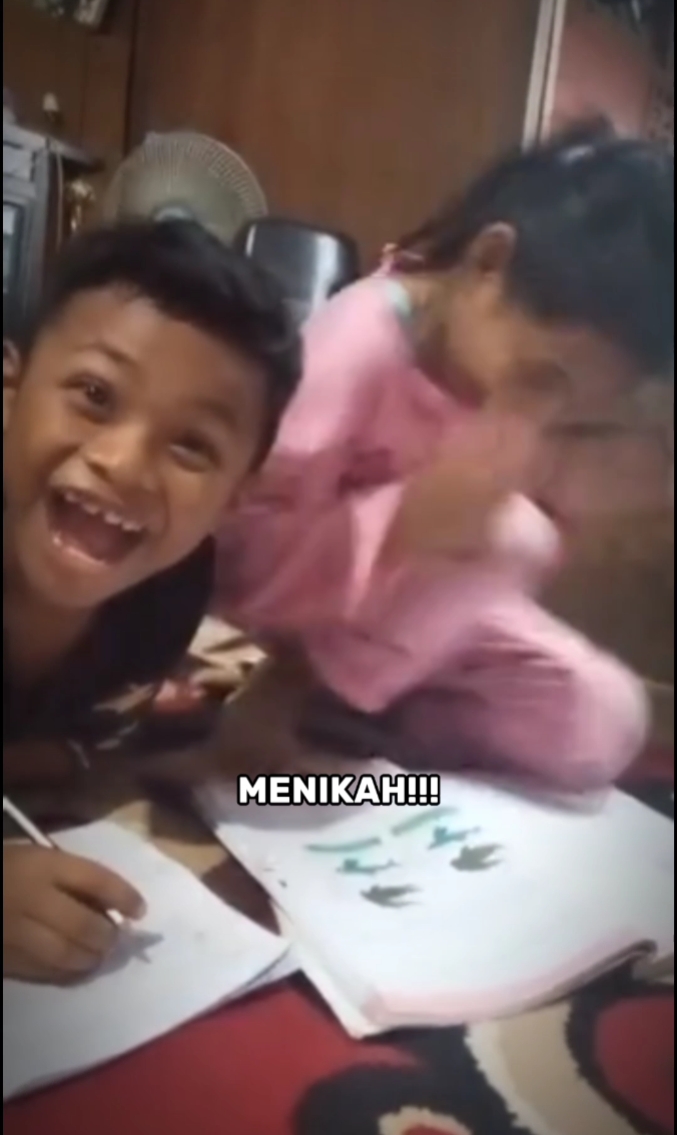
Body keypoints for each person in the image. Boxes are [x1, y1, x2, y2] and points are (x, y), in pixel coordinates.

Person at [149, 122, 673, 797]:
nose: (541, 410)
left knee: (604, 720)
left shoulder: (502, 375)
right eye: (539, 378)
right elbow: (246, 542)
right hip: (297, 604)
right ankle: (304, 696)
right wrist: (404, 519)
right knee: (509, 534)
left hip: (416, 626)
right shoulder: (360, 339)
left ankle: (366, 724)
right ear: (487, 263)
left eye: (572, 403)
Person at [3, 219, 301, 983]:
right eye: (95, 395)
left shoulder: (169, 595)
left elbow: (93, 733)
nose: (124, 464)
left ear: (235, 497)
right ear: (10, 390)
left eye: (191, 444)